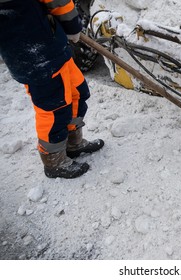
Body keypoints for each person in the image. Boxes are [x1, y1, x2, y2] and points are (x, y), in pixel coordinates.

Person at [0, 0, 104, 179]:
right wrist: (72, 26)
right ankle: (54, 161)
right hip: (35, 54)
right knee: (54, 107)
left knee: (77, 90)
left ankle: (73, 144)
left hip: (49, 43)